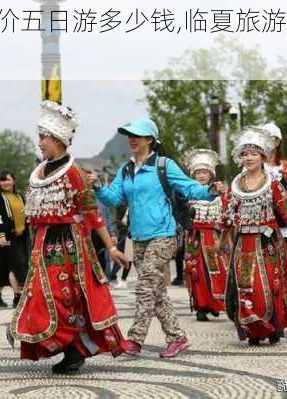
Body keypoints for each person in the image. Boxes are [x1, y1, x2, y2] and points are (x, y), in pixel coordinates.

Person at [8, 101, 128, 374]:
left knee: (67, 298)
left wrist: (110, 247)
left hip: (69, 245)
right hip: (42, 242)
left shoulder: (75, 174)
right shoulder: (39, 171)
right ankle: (60, 346)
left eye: (43, 138)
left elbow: (92, 213)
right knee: (41, 296)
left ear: (59, 140)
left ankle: (75, 349)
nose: (39, 143)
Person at [90, 117, 216, 358]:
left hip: (163, 235)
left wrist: (210, 191)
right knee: (156, 291)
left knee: (145, 287)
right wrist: (98, 187)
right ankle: (178, 337)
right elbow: (113, 199)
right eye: (129, 135)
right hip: (138, 237)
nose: (132, 139)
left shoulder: (164, 165)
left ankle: (135, 340)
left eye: (136, 135)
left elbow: (190, 188)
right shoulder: (126, 169)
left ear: (150, 139)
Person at [223, 127, 287, 346]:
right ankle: (253, 329)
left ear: (263, 156)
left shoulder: (273, 184)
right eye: (245, 154)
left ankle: (273, 327)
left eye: (254, 153)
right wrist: (223, 239)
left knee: (271, 285)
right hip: (243, 244)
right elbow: (229, 214)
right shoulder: (236, 185)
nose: (249, 158)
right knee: (247, 285)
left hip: (268, 244)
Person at [183, 149, 228, 322]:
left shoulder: (219, 194)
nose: (202, 175)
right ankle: (201, 306)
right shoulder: (187, 192)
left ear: (211, 174)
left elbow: (226, 214)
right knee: (196, 272)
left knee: (217, 270)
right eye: (198, 172)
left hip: (212, 237)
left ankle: (215, 303)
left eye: (205, 172)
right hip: (193, 237)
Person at [0, 171, 29, 308]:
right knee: (18, 264)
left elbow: (26, 213)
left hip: (20, 236)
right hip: (7, 237)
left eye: (8, 180)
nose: (5, 182)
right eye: (2, 180)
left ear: (14, 181)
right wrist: (0, 236)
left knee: (4, 266)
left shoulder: (19, 196)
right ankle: (18, 297)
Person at [259, 122, 287, 241]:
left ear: (277, 142)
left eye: (268, 138)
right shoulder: (252, 167)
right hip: (258, 225)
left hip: (282, 225)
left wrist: (277, 210)